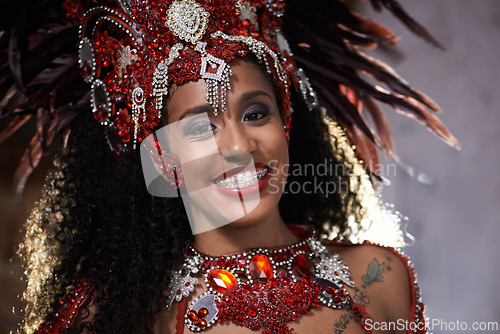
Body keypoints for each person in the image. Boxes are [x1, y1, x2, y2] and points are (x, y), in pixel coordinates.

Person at [0, 0, 459, 333]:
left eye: (255, 113)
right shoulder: (124, 316)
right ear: (163, 157)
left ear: (286, 124)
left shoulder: (378, 277)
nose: (239, 146)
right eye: (201, 128)